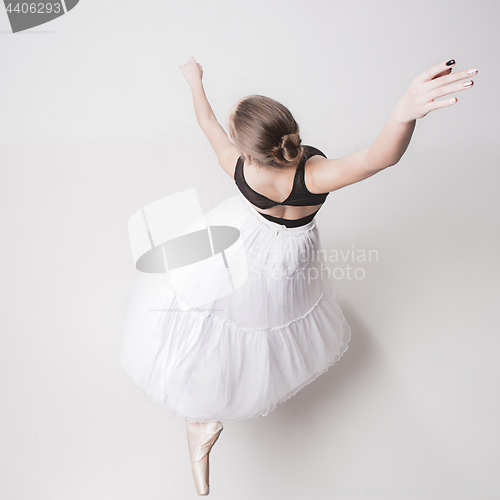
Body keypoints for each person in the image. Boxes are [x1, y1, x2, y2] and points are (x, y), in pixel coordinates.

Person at [120, 56, 477, 495]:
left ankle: (200, 417)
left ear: (248, 149)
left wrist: (195, 81)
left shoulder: (239, 169)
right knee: (265, 324)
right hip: (291, 260)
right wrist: (402, 112)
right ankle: (208, 417)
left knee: (209, 312)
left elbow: (207, 122)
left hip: (242, 247)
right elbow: (378, 157)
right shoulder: (315, 175)